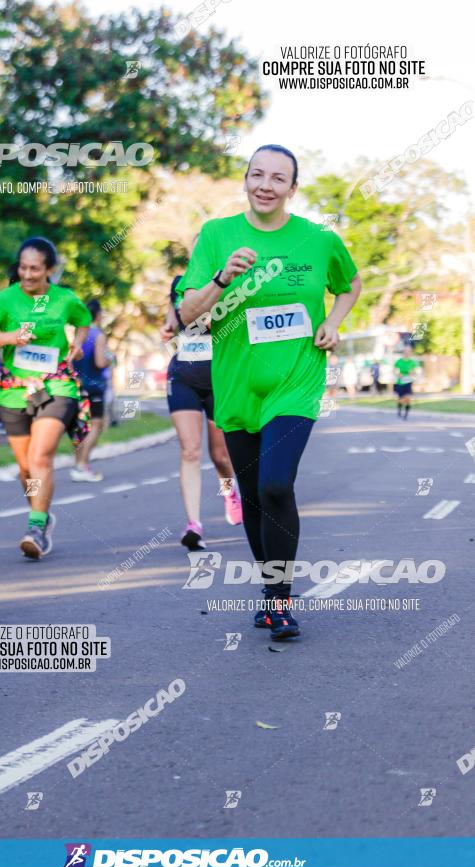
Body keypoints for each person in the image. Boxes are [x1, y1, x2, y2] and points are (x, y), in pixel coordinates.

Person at [178, 144, 361, 640]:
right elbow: (188, 313)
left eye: (278, 178)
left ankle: (278, 600)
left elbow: (350, 283)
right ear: (245, 180)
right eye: (257, 174)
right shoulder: (218, 236)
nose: (266, 184)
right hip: (236, 387)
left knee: (275, 485)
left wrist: (333, 321)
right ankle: (270, 591)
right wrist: (223, 277)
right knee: (254, 498)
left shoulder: (319, 239)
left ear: (292, 189)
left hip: (296, 383)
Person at [0, 236, 92, 559]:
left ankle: (35, 527)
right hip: (14, 391)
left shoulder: (65, 299)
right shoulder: (4, 300)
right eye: (23, 267)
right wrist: (10, 337)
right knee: (25, 469)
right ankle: (43, 514)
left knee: (40, 457)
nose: (27, 274)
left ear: (49, 269)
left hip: (57, 387)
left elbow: (83, 321)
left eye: (35, 269)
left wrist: (78, 344)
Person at [161, 255, 243, 550]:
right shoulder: (180, 284)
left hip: (220, 378)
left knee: (220, 456)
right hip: (184, 373)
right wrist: (167, 329)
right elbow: (174, 320)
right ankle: (193, 524)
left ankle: (229, 490)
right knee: (190, 450)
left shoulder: (235, 284)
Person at [70, 298, 113, 481]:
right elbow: (100, 362)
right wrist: (111, 359)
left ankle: (79, 464)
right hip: (94, 386)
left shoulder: (79, 334)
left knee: (81, 427)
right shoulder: (99, 335)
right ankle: (81, 465)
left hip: (77, 385)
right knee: (97, 425)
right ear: (97, 314)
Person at [394, 344, 420, 419]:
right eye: (406, 351)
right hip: (400, 382)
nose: (407, 353)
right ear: (403, 352)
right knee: (401, 399)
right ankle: (399, 409)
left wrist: (412, 373)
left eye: (409, 351)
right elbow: (395, 370)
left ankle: (406, 414)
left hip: (408, 382)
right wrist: (398, 374)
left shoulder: (412, 362)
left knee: (408, 398)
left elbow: (414, 372)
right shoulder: (399, 361)